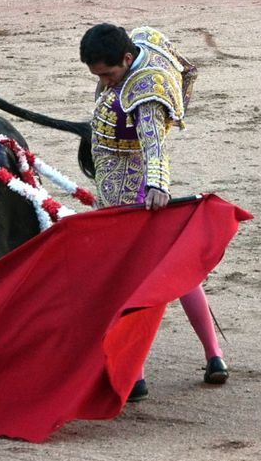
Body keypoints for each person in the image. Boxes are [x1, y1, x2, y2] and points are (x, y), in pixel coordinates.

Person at [79, 23, 228, 401]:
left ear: (127, 59)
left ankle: (136, 376)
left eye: (109, 74)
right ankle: (215, 356)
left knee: (126, 276)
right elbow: (188, 69)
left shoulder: (145, 92)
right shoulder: (145, 38)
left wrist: (157, 184)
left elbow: (153, 144)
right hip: (126, 176)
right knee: (176, 267)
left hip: (129, 184)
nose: (106, 83)